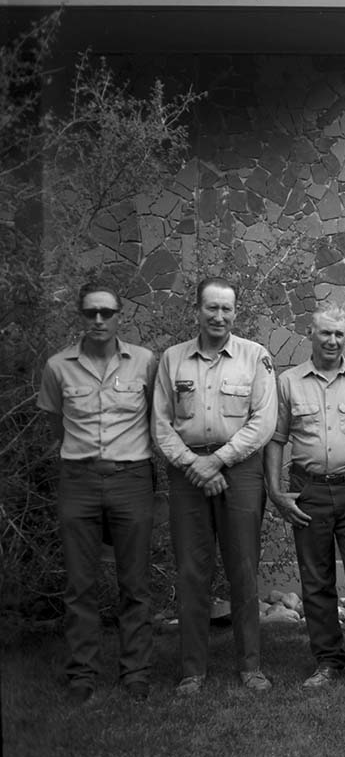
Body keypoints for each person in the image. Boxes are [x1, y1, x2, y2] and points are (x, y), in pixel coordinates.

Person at [153, 277, 278, 696]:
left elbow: (263, 422)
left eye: (226, 309)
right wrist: (194, 464)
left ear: (236, 312)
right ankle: (192, 670)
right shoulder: (172, 360)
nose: (219, 316)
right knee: (192, 571)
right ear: (198, 311)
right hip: (188, 472)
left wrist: (217, 461)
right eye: (211, 308)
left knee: (243, 567)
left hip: (239, 470)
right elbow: (161, 424)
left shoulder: (255, 357)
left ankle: (251, 666)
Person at [37, 283, 157, 703]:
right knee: (80, 583)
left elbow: (156, 420)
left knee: (135, 583)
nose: (99, 320)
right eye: (91, 313)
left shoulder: (145, 362)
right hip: (79, 480)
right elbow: (57, 424)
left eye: (107, 312)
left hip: (132, 479)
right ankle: (82, 674)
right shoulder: (57, 368)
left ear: (120, 315)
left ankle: (136, 672)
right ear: (80, 316)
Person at [266, 304, 345, 700]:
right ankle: (328, 661)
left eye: (339, 334)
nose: (333, 341)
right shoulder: (289, 382)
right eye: (326, 334)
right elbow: (277, 439)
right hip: (308, 492)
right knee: (316, 582)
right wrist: (275, 492)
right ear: (311, 335)